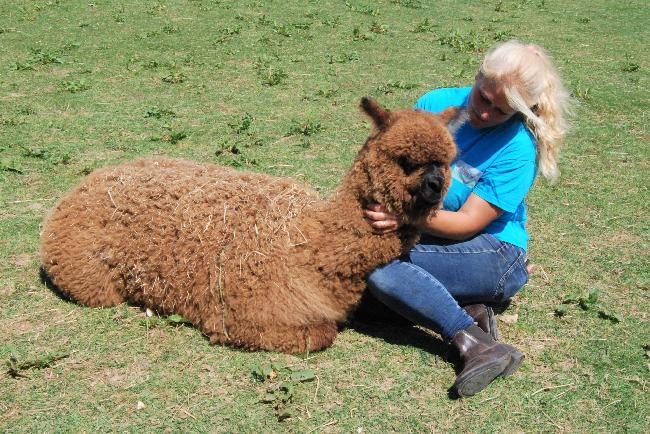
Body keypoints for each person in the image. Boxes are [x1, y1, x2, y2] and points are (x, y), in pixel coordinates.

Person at [363, 40, 570, 397]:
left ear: (520, 111)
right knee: (356, 284)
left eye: (501, 110)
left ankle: (477, 344)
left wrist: (406, 218)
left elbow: (467, 222)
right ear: (477, 77)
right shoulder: (434, 105)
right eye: (483, 97)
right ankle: (470, 307)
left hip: (493, 252)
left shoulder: (518, 150)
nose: (485, 113)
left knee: (376, 265)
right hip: (433, 238)